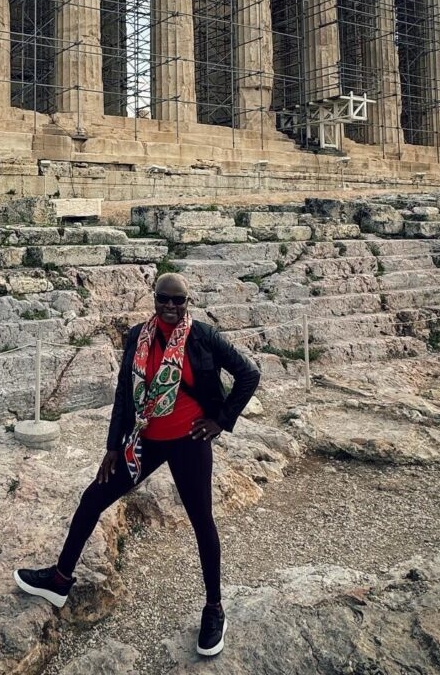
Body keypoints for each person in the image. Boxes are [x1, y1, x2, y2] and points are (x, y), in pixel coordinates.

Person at [14, 271, 261, 657]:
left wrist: (220, 420)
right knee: (93, 497)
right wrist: (113, 446)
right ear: (154, 298)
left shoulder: (202, 336)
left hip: (188, 443)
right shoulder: (136, 337)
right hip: (143, 441)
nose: (171, 306)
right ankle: (60, 580)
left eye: (179, 300)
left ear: (187, 302)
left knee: (202, 521)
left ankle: (214, 608)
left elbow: (249, 373)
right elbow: (124, 395)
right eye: (165, 298)